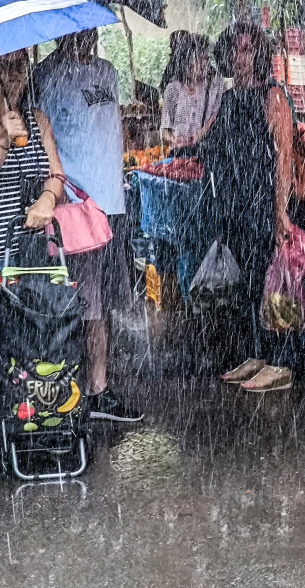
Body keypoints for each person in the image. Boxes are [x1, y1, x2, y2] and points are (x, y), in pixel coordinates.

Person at [34, 30, 143, 422]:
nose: (86, 36)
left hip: (113, 202)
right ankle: (88, 390)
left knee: (108, 301)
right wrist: (57, 190)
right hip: (78, 206)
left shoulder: (108, 72)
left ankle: (97, 385)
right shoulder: (47, 76)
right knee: (85, 302)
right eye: (77, 30)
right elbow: (42, 140)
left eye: (91, 28)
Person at [202, 23, 297, 392]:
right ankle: (257, 354)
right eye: (235, 50)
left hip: (264, 202)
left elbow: (284, 155)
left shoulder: (272, 96)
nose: (240, 58)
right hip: (236, 205)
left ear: (259, 55)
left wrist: (280, 210)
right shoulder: (228, 97)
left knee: (276, 282)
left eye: (247, 50)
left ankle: (282, 361)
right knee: (251, 285)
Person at [0, 49, 66, 257]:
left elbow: (56, 174)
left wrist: (47, 197)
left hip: (35, 250)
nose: (14, 74)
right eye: (4, 66)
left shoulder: (38, 119)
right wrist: (3, 140)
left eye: (20, 66)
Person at [161, 34, 224, 150]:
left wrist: (200, 134)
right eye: (202, 59)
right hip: (179, 152)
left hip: (206, 150)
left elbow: (215, 116)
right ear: (188, 62)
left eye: (207, 59)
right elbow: (164, 129)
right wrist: (174, 139)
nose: (206, 64)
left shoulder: (214, 87)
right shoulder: (172, 89)